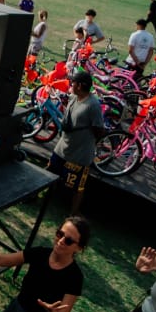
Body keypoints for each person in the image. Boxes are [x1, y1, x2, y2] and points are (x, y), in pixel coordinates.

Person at [50, 67, 106, 214]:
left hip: (80, 154)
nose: (71, 85)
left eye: (73, 83)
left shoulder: (93, 105)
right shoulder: (74, 97)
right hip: (63, 147)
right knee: (49, 171)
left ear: (80, 86)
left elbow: (99, 129)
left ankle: (72, 213)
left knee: (77, 188)